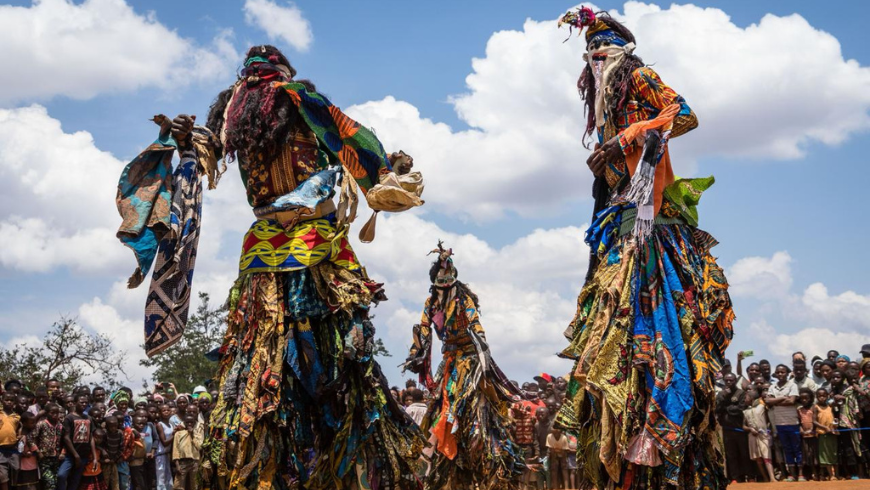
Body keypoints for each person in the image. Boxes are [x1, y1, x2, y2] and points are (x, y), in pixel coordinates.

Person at [146, 44, 430, 490]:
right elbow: (206, 151)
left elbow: (351, 141)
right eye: (252, 78)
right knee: (262, 360)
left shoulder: (305, 108)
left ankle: (344, 460)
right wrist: (184, 138)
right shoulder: (235, 124)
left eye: (265, 78)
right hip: (267, 249)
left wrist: (386, 169)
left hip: (316, 242)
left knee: (338, 358)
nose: (259, 85)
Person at [553, 7, 734, 488]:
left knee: (660, 318)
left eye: (601, 47)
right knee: (608, 319)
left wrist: (630, 135)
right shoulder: (605, 97)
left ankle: (663, 438)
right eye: (588, 50)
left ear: (619, 50)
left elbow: (686, 114)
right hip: (619, 221)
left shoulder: (638, 75)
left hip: (653, 222)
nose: (594, 57)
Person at [403, 243, 524, 489]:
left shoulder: (463, 299)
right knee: (438, 405)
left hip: (471, 360)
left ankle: (494, 462)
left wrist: (481, 344)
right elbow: (424, 329)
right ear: (434, 284)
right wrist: (416, 352)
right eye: (440, 285)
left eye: (448, 284)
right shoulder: (430, 303)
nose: (444, 289)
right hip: (449, 360)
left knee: (473, 406)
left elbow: (475, 323)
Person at [766, 364, 803, 481]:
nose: (780, 374)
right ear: (776, 374)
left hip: (792, 422)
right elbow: (767, 401)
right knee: (787, 449)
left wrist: (776, 401)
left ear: (787, 373)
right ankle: (792, 474)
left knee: (797, 448)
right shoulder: (772, 387)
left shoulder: (792, 385)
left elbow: (792, 401)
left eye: (783, 372)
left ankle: (801, 474)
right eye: (778, 372)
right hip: (779, 423)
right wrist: (783, 398)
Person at [715, 373, 752, 483]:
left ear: (735, 380)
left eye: (731, 380)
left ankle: (749, 476)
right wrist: (724, 398)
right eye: (727, 380)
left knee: (744, 453)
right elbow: (717, 409)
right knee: (731, 454)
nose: (729, 382)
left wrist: (726, 408)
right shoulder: (721, 394)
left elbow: (740, 409)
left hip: (740, 429)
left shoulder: (741, 393)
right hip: (726, 430)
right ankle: (735, 477)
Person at [829, 369, 862, 479]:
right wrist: (834, 400)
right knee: (843, 448)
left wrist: (844, 398)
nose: (835, 379)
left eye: (838, 377)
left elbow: (854, 400)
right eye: (833, 377)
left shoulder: (849, 389)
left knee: (854, 445)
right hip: (838, 421)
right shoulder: (833, 391)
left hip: (851, 421)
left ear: (843, 378)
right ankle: (847, 472)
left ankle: (857, 472)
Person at [58, 394, 93, 490]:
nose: (84, 404)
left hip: (84, 455)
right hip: (70, 455)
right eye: (82, 402)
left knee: (75, 480)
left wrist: (93, 455)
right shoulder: (69, 418)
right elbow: (66, 437)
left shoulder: (89, 418)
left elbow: (91, 437)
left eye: (86, 402)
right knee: (61, 475)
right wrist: (75, 455)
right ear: (75, 403)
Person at [743, 389, 776, 482]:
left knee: (767, 456)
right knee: (758, 458)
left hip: (763, 435)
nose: (744, 399)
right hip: (752, 436)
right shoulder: (746, 411)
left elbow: (768, 417)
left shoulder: (762, 406)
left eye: (746, 397)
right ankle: (765, 477)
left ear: (751, 398)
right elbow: (743, 425)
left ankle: (772, 477)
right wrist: (750, 429)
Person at [34, 403, 63, 490]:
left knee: (56, 481)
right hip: (44, 459)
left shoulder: (60, 426)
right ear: (46, 413)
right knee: (50, 483)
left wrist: (62, 452)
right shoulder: (41, 424)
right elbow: (30, 438)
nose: (55, 415)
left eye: (57, 413)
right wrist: (38, 452)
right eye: (52, 413)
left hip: (56, 459)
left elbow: (64, 440)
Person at [171, 413, 200, 490]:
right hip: (182, 462)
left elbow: (199, 446)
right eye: (187, 422)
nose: (189, 424)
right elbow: (175, 449)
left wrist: (192, 434)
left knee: (194, 483)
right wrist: (177, 464)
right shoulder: (178, 433)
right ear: (184, 422)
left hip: (194, 461)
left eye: (191, 422)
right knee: (178, 484)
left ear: (194, 422)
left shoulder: (197, 433)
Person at [815, 388, 838, 480]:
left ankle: (836, 474)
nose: (822, 398)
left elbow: (834, 417)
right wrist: (825, 428)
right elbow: (814, 421)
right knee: (826, 454)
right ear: (816, 397)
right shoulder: (816, 407)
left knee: (834, 453)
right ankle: (831, 475)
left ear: (827, 396)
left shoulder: (830, 407)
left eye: (824, 396)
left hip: (833, 433)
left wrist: (835, 425)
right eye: (819, 396)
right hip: (823, 433)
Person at [797, 388, 819, 480]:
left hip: (814, 435)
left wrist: (811, 429)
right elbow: (799, 422)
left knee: (815, 454)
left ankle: (818, 473)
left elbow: (815, 420)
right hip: (804, 436)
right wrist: (801, 429)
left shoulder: (814, 407)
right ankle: (810, 473)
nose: (804, 400)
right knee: (807, 454)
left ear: (811, 398)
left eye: (806, 398)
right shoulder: (799, 410)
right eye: (802, 398)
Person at [0, 392, 20, 490]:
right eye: (6, 400)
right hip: (1, 450)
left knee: (16, 470)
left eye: (11, 400)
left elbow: (19, 429)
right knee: (2, 476)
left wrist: (20, 436)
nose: (9, 402)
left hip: (13, 449)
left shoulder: (17, 416)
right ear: (2, 401)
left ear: (14, 402)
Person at [15, 412, 39, 490]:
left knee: (33, 485)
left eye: (35, 422)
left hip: (33, 465)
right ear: (24, 423)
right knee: (24, 486)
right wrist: (25, 453)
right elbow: (19, 450)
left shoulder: (35, 433)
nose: (34, 424)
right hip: (24, 466)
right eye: (32, 423)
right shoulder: (21, 435)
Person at [154, 405, 174, 490]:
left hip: (167, 454)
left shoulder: (170, 425)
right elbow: (164, 442)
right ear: (160, 413)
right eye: (163, 410)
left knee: (168, 478)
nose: (166, 412)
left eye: (168, 410)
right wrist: (175, 434)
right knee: (161, 478)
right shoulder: (160, 425)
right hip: (160, 455)